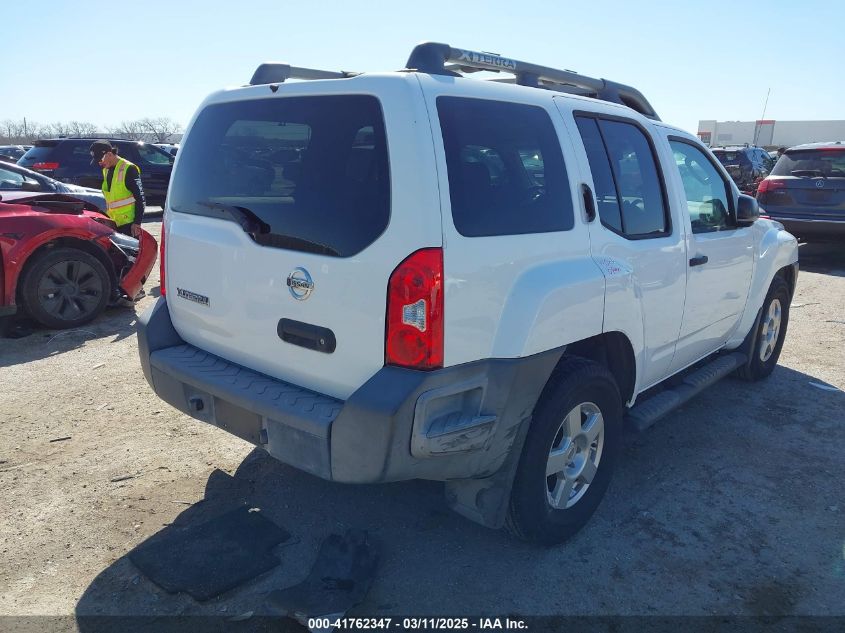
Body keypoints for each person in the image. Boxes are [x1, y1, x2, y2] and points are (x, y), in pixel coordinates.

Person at [89, 140, 145, 237]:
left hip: (129, 224)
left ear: (109, 154)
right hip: (113, 222)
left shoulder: (129, 169)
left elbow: (141, 198)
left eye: (100, 160)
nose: (99, 163)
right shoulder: (106, 170)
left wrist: (137, 223)